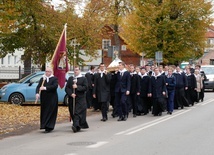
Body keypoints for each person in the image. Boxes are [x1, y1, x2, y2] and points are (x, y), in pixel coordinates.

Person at [65, 66, 89, 133]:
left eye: (77, 70)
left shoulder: (83, 79)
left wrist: (77, 87)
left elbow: (85, 87)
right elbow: (67, 88)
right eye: (75, 70)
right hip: (72, 98)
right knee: (72, 112)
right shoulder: (70, 78)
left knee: (77, 112)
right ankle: (77, 126)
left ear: (79, 71)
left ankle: (75, 126)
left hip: (80, 98)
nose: (75, 71)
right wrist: (71, 94)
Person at [35, 67, 58, 133]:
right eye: (46, 71)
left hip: (52, 98)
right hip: (44, 98)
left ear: (51, 72)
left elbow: (54, 87)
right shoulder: (42, 79)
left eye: (48, 71)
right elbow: (38, 87)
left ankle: (50, 126)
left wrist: (45, 88)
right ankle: (44, 125)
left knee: (51, 111)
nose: (47, 73)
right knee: (44, 111)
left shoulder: (54, 79)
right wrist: (37, 93)